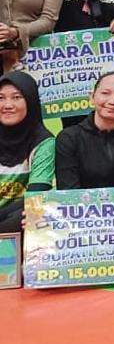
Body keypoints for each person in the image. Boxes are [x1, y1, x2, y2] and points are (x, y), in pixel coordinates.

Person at [0, 71, 54, 232]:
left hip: (15, 220)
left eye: (16, 97)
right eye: (1, 98)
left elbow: (36, 196)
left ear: (30, 101)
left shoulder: (43, 142)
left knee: (30, 213)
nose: (7, 105)